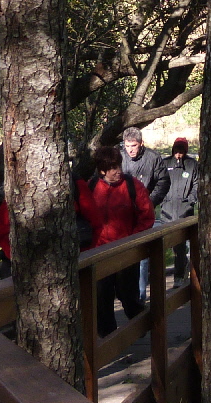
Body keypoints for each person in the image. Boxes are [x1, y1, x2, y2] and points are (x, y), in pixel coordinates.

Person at [77, 145, 155, 335]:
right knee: (102, 300)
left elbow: (147, 216)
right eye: (112, 168)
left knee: (128, 296)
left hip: (125, 252)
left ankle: (142, 328)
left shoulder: (132, 185)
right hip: (98, 254)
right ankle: (107, 340)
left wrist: (132, 240)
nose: (117, 171)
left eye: (118, 166)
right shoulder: (91, 187)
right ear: (102, 170)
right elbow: (82, 217)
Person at [159, 137, 200, 282]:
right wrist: (162, 200)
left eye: (181, 151)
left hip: (184, 211)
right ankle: (170, 273)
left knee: (180, 245)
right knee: (167, 245)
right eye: (176, 150)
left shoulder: (192, 164)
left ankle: (179, 276)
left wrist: (190, 200)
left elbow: (197, 184)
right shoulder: (165, 163)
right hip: (166, 211)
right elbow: (159, 183)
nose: (178, 154)